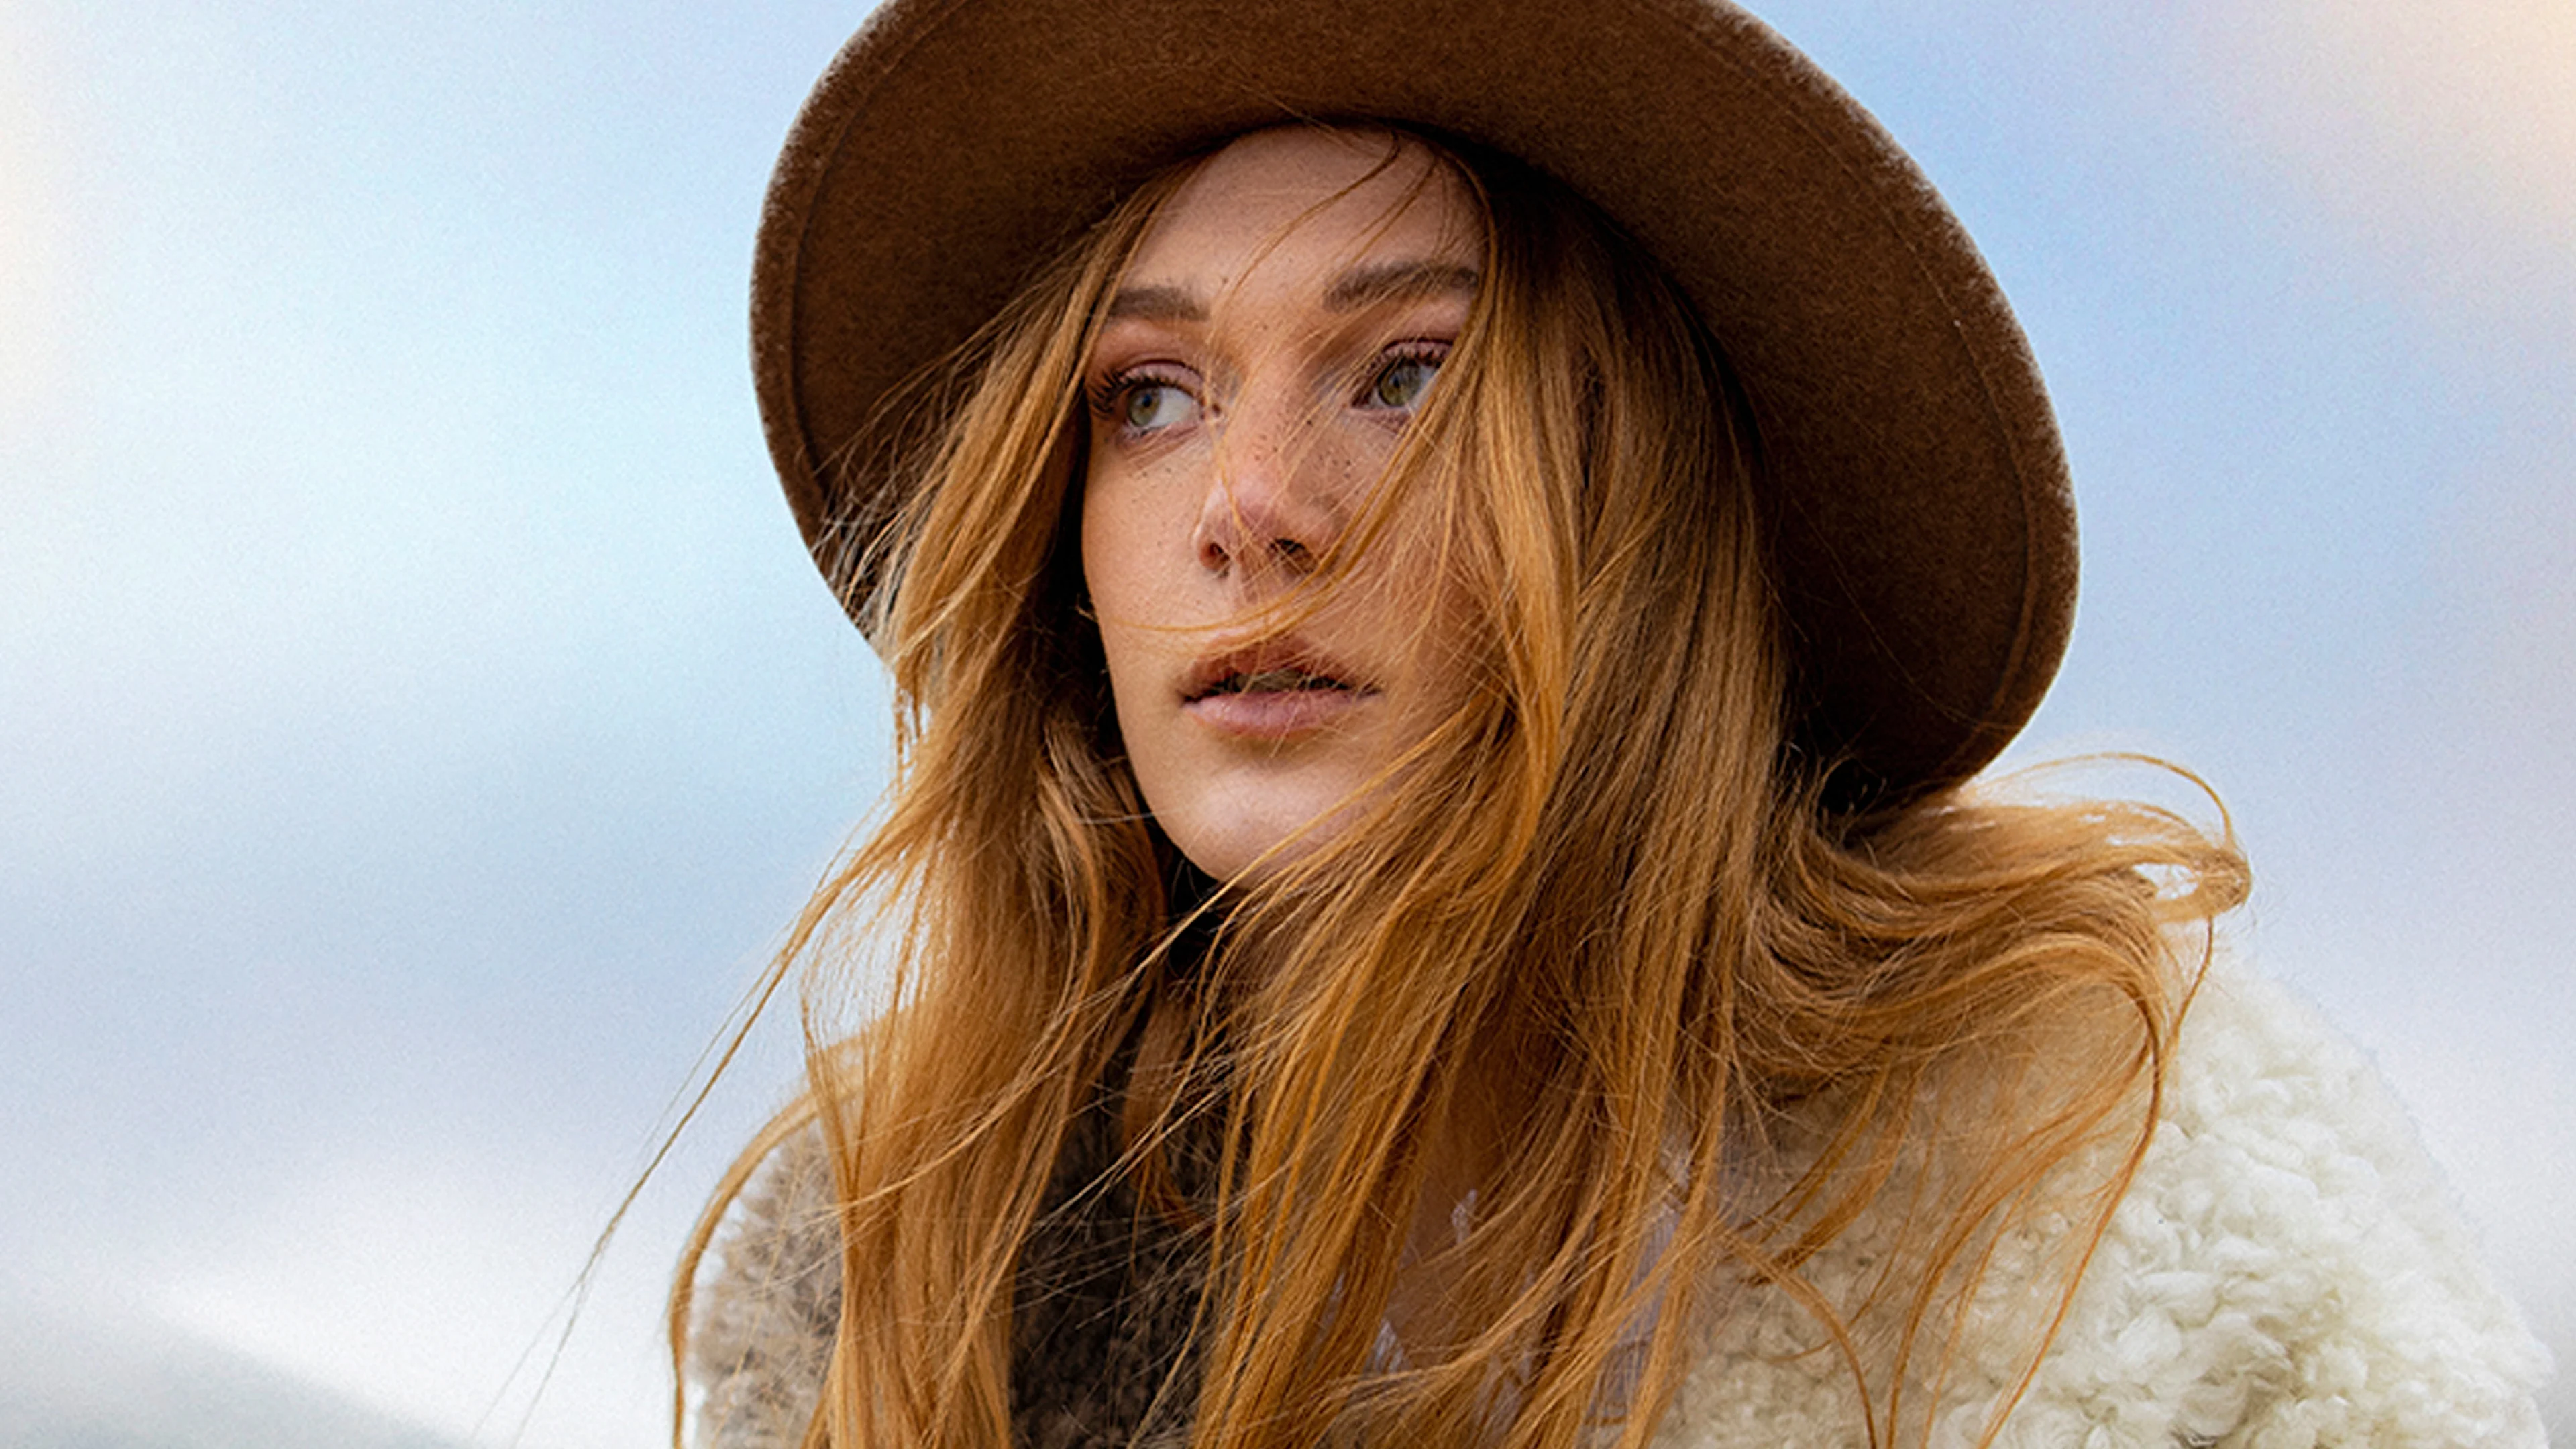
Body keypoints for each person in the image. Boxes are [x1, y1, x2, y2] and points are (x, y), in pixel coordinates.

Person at [671, 1, 2551, 1446]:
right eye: (1148, 396)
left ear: (1648, 496)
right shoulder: (889, 1257)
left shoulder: (2125, 1198)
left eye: (1407, 374)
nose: (1253, 503)